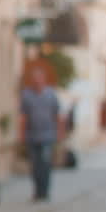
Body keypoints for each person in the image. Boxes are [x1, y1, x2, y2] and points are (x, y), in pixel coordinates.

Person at [20, 65, 63, 202]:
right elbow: (23, 117)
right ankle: (37, 191)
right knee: (35, 165)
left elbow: (57, 115)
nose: (37, 81)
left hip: (48, 135)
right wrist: (22, 135)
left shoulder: (51, 94)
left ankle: (45, 191)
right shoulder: (27, 95)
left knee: (45, 163)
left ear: (44, 79)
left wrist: (60, 133)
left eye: (39, 78)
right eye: (35, 79)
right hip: (32, 136)